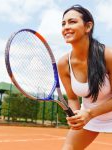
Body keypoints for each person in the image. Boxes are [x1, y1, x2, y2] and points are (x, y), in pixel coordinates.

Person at [58, 4, 112, 150]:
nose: (66, 27)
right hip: (90, 116)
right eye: (63, 23)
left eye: (72, 22)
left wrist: (89, 114)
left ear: (88, 27)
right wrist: (76, 116)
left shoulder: (108, 55)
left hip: (91, 114)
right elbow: (73, 98)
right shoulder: (63, 63)